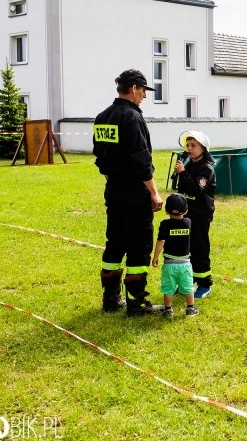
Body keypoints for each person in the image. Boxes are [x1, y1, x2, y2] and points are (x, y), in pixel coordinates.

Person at [93, 69, 163, 316]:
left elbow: (100, 155)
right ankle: (137, 303)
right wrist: (154, 193)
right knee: (139, 245)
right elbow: (141, 160)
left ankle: (110, 300)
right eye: (143, 90)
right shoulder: (132, 118)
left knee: (115, 242)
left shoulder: (102, 117)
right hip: (135, 191)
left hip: (113, 189)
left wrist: (113, 177)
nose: (144, 95)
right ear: (133, 88)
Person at [175, 131, 217, 299]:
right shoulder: (189, 164)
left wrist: (183, 173)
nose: (189, 149)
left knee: (200, 248)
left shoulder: (206, 169)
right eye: (188, 145)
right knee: (186, 249)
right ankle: (188, 281)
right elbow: (183, 190)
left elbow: (195, 190)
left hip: (200, 215)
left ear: (203, 149)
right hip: (187, 214)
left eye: (194, 146)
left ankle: (205, 284)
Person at [151, 194, 199, 319]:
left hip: (169, 264)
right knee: (188, 287)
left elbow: (161, 241)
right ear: (186, 211)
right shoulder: (188, 223)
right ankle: (190, 308)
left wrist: (155, 257)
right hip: (185, 264)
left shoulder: (165, 225)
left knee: (168, 289)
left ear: (166, 211)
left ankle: (168, 310)